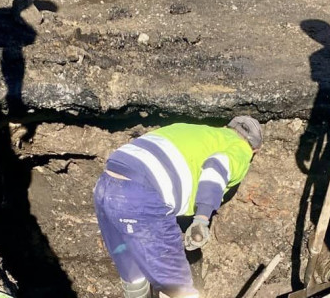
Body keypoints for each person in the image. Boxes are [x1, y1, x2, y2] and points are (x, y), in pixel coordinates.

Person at [93, 117, 263, 298]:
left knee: (133, 271)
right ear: (255, 150)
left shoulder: (193, 130)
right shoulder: (242, 148)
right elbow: (216, 166)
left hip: (105, 187)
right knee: (177, 287)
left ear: (225, 127)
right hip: (142, 195)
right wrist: (201, 219)